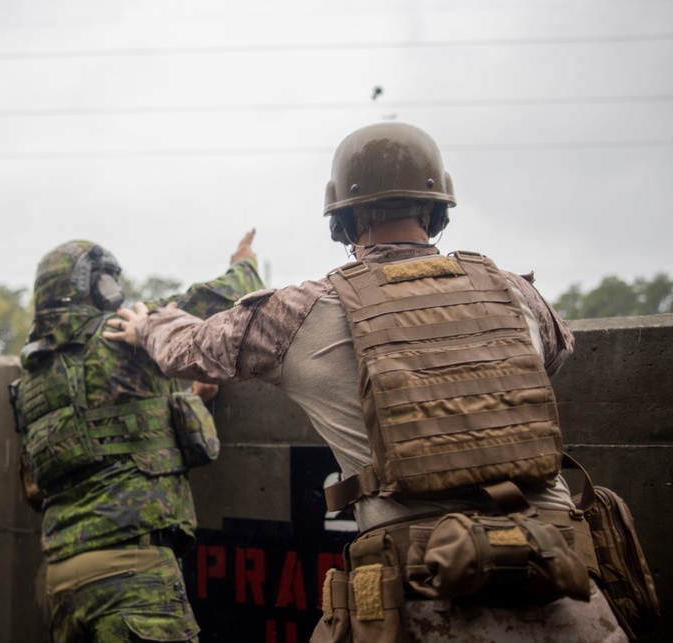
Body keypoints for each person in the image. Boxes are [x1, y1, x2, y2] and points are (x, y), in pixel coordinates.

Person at [105, 122, 629, 642]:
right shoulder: (515, 292)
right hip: (564, 584)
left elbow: (192, 351)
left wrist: (147, 324)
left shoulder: (299, 312)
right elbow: (557, 353)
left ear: (343, 218)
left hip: (422, 598)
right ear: (436, 208)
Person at [11, 231, 263, 643]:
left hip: (62, 582)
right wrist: (244, 263)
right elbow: (226, 302)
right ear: (91, 284)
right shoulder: (121, 336)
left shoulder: (29, 383)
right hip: (133, 575)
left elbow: (37, 489)